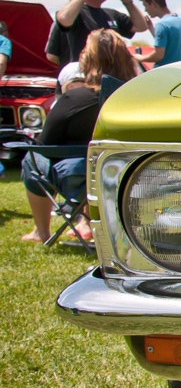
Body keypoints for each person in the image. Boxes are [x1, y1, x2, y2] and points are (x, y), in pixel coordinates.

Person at [21, 29, 138, 242]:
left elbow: (44, 144)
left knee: (32, 159)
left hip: (82, 178)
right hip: (131, 173)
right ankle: (87, 223)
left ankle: (41, 232)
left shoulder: (74, 99)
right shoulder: (137, 98)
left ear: (89, 60)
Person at [46, 0, 148, 66]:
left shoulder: (112, 14)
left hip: (109, 73)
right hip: (84, 74)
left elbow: (141, 27)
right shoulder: (75, 14)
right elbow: (63, 19)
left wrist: (126, 1)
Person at [136, 0, 181, 67]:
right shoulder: (180, 21)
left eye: (146, 6)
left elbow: (158, 55)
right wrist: (150, 27)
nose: (145, 10)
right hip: (179, 71)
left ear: (153, 3)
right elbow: (165, 43)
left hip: (164, 72)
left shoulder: (162, 24)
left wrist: (140, 58)